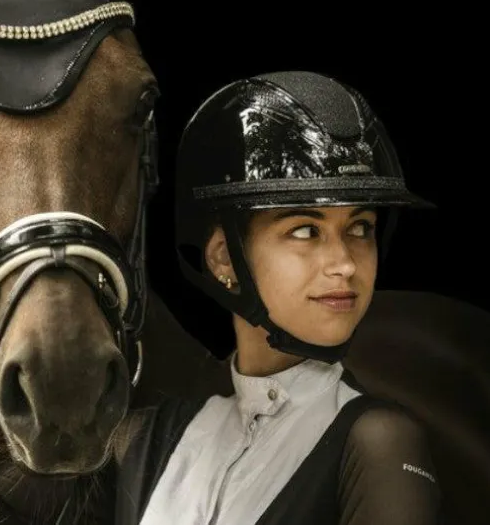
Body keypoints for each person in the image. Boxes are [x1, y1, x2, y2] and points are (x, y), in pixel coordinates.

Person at [117, 69, 444, 524]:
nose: (345, 264)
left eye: (359, 228)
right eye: (306, 230)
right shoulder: (146, 439)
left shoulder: (379, 441)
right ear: (224, 258)